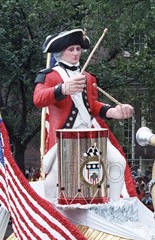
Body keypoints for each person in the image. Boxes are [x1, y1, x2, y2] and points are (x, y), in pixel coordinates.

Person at [33, 29, 135, 202]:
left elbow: (92, 106)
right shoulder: (50, 76)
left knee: (117, 162)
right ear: (60, 52)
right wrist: (62, 89)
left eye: (78, 49)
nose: (76, 53)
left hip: (89, 133)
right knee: (55, 178)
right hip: (64, 136)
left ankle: (113, 205)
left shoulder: (88, 77)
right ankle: (51, 209)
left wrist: (114, 112)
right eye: (71, 49)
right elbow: (38, 99)